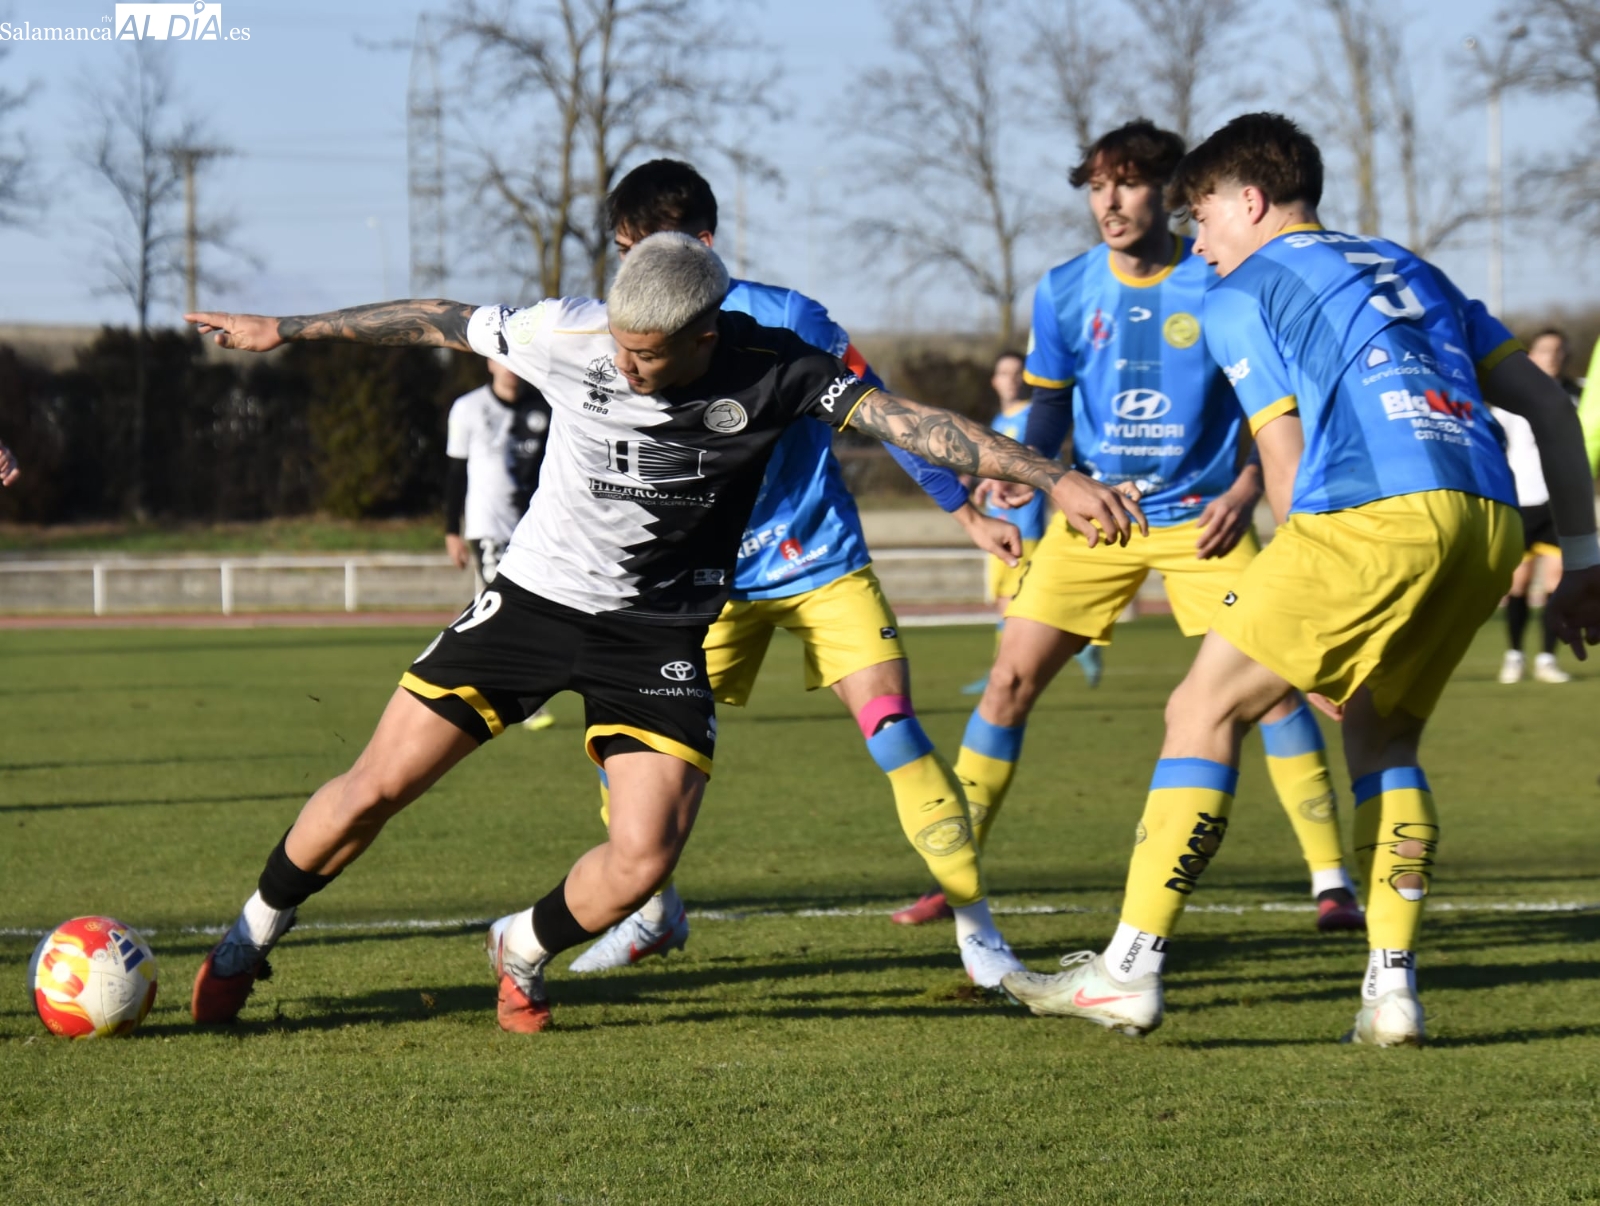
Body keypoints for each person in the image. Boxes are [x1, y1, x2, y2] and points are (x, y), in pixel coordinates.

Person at [183, 233, 1146, 1034]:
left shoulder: (779, 371)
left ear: (707, 333)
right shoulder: (569, 333)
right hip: (531, 604)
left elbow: (911, 422)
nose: (627, 364)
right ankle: (249, 937)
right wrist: (290, 329)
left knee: (645, 857)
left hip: (655, 635)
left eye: (648, 354)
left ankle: (520, 945)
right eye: (621, 345)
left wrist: (1056, 477)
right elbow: (436, 319)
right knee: (374, 790)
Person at [1003, 112, 1600, 1047]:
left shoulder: (1244, 288)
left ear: (1249, 201)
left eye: (1202, 215)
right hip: (1483, 519)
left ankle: (1128, 968)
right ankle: (1391, 989)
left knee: (1202, 709)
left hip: (1368, 516)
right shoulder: (1414, 268)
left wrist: (1307, 612)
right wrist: (1583, 560)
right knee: (1386, 733)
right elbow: (1550, 417)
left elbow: (1281, 467)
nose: (1197, 240)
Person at [569, 159, 1032, 985]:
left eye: (642, 250)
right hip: (700, 586)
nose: (629, 273)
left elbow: (885, 414)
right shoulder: (617, 332)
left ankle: (979, 931)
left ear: (701, 245)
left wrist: (964, 513)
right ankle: (651, 914)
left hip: (817, 561)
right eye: (622, 252)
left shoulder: (792, 319)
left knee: (894, 728)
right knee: (626, 759)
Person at [895, 120, 1364, 933]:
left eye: (1130, 184)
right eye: (1097, 186)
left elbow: (1269, 409)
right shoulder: (1065, 288)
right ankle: (953, 874)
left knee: (1278, 689)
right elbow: (1047, 408)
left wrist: (1247, 486)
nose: (1109, 202)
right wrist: (1019, 478)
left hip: (1201, 523)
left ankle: (1332, 885)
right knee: (1007, 681)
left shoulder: (1221, 278)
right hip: (1095, 520)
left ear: (1172, 195)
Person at [959, 350, 1088, 696]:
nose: (1011, 379)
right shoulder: (998, 423)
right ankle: (1002, 669)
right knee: (1004, 603)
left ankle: (1008, 670)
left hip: (1025, 529)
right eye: (1004, 372)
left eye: (1018, 373)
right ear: (994, 381)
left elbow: (1046, 466)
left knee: (1015, 606)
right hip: (996, 524)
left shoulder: (1036, 418)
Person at [445, 359, 557, 728]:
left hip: (535, 529)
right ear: (489, 363)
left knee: (496, 612)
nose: (510, 368)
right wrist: (452, 531)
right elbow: (455, 474)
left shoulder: (546, 406)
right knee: (512, 610)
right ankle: (524, 703)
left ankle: (460, 677)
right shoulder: (469, 408)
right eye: (502, 360)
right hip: (489, 528)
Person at [1493, 329, 1581, 684]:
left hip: (1560, 504)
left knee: (1558, 582)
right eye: (1545, 350)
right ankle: (1514, 656)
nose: (1553, 356)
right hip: (1521, 501)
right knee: (1519, 583)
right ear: (1530, 356)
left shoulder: (1579, 396)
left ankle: (1547, 657)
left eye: (1559, 350)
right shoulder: (1510, 400)